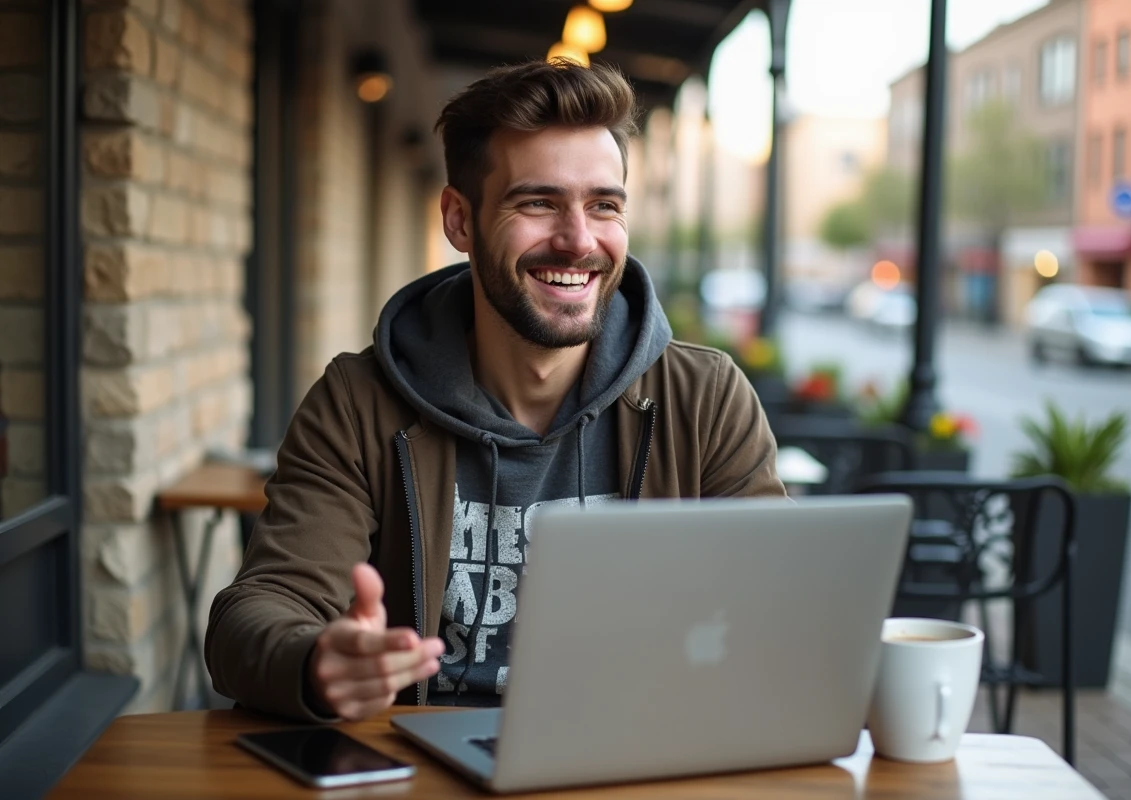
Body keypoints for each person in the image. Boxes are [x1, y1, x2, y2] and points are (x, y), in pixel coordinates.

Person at [205, 59, 786, 722]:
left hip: (637, 759)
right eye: (537, 203)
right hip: (425, 765)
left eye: (604, 205)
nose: (578, 240)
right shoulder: (358, 401)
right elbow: (252, 615)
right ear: (459, 219)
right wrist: (313, 662)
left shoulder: (703, 398)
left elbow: (778, 605)